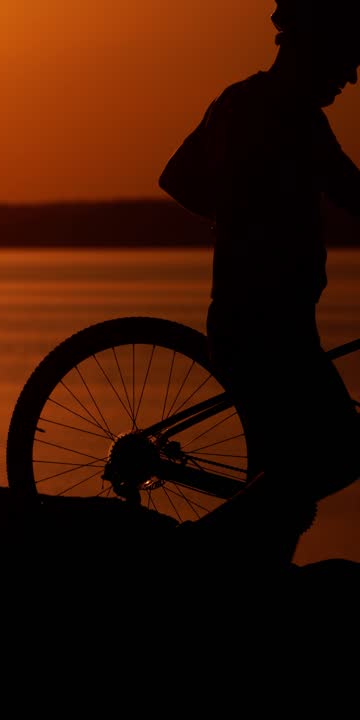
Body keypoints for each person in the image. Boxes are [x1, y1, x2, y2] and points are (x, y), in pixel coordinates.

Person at [158, 0, 360, 573]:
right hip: (269, 325)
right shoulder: (292, 116)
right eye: (344, 60)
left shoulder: (236, 102)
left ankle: (249, 579)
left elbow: (176, 178)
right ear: (308, 49)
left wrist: (233, 216)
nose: (351, 76)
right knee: (336, 453)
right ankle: (193, 550)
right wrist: (250, 219)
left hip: (254, 316)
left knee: (282, 482)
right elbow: (351, 192)